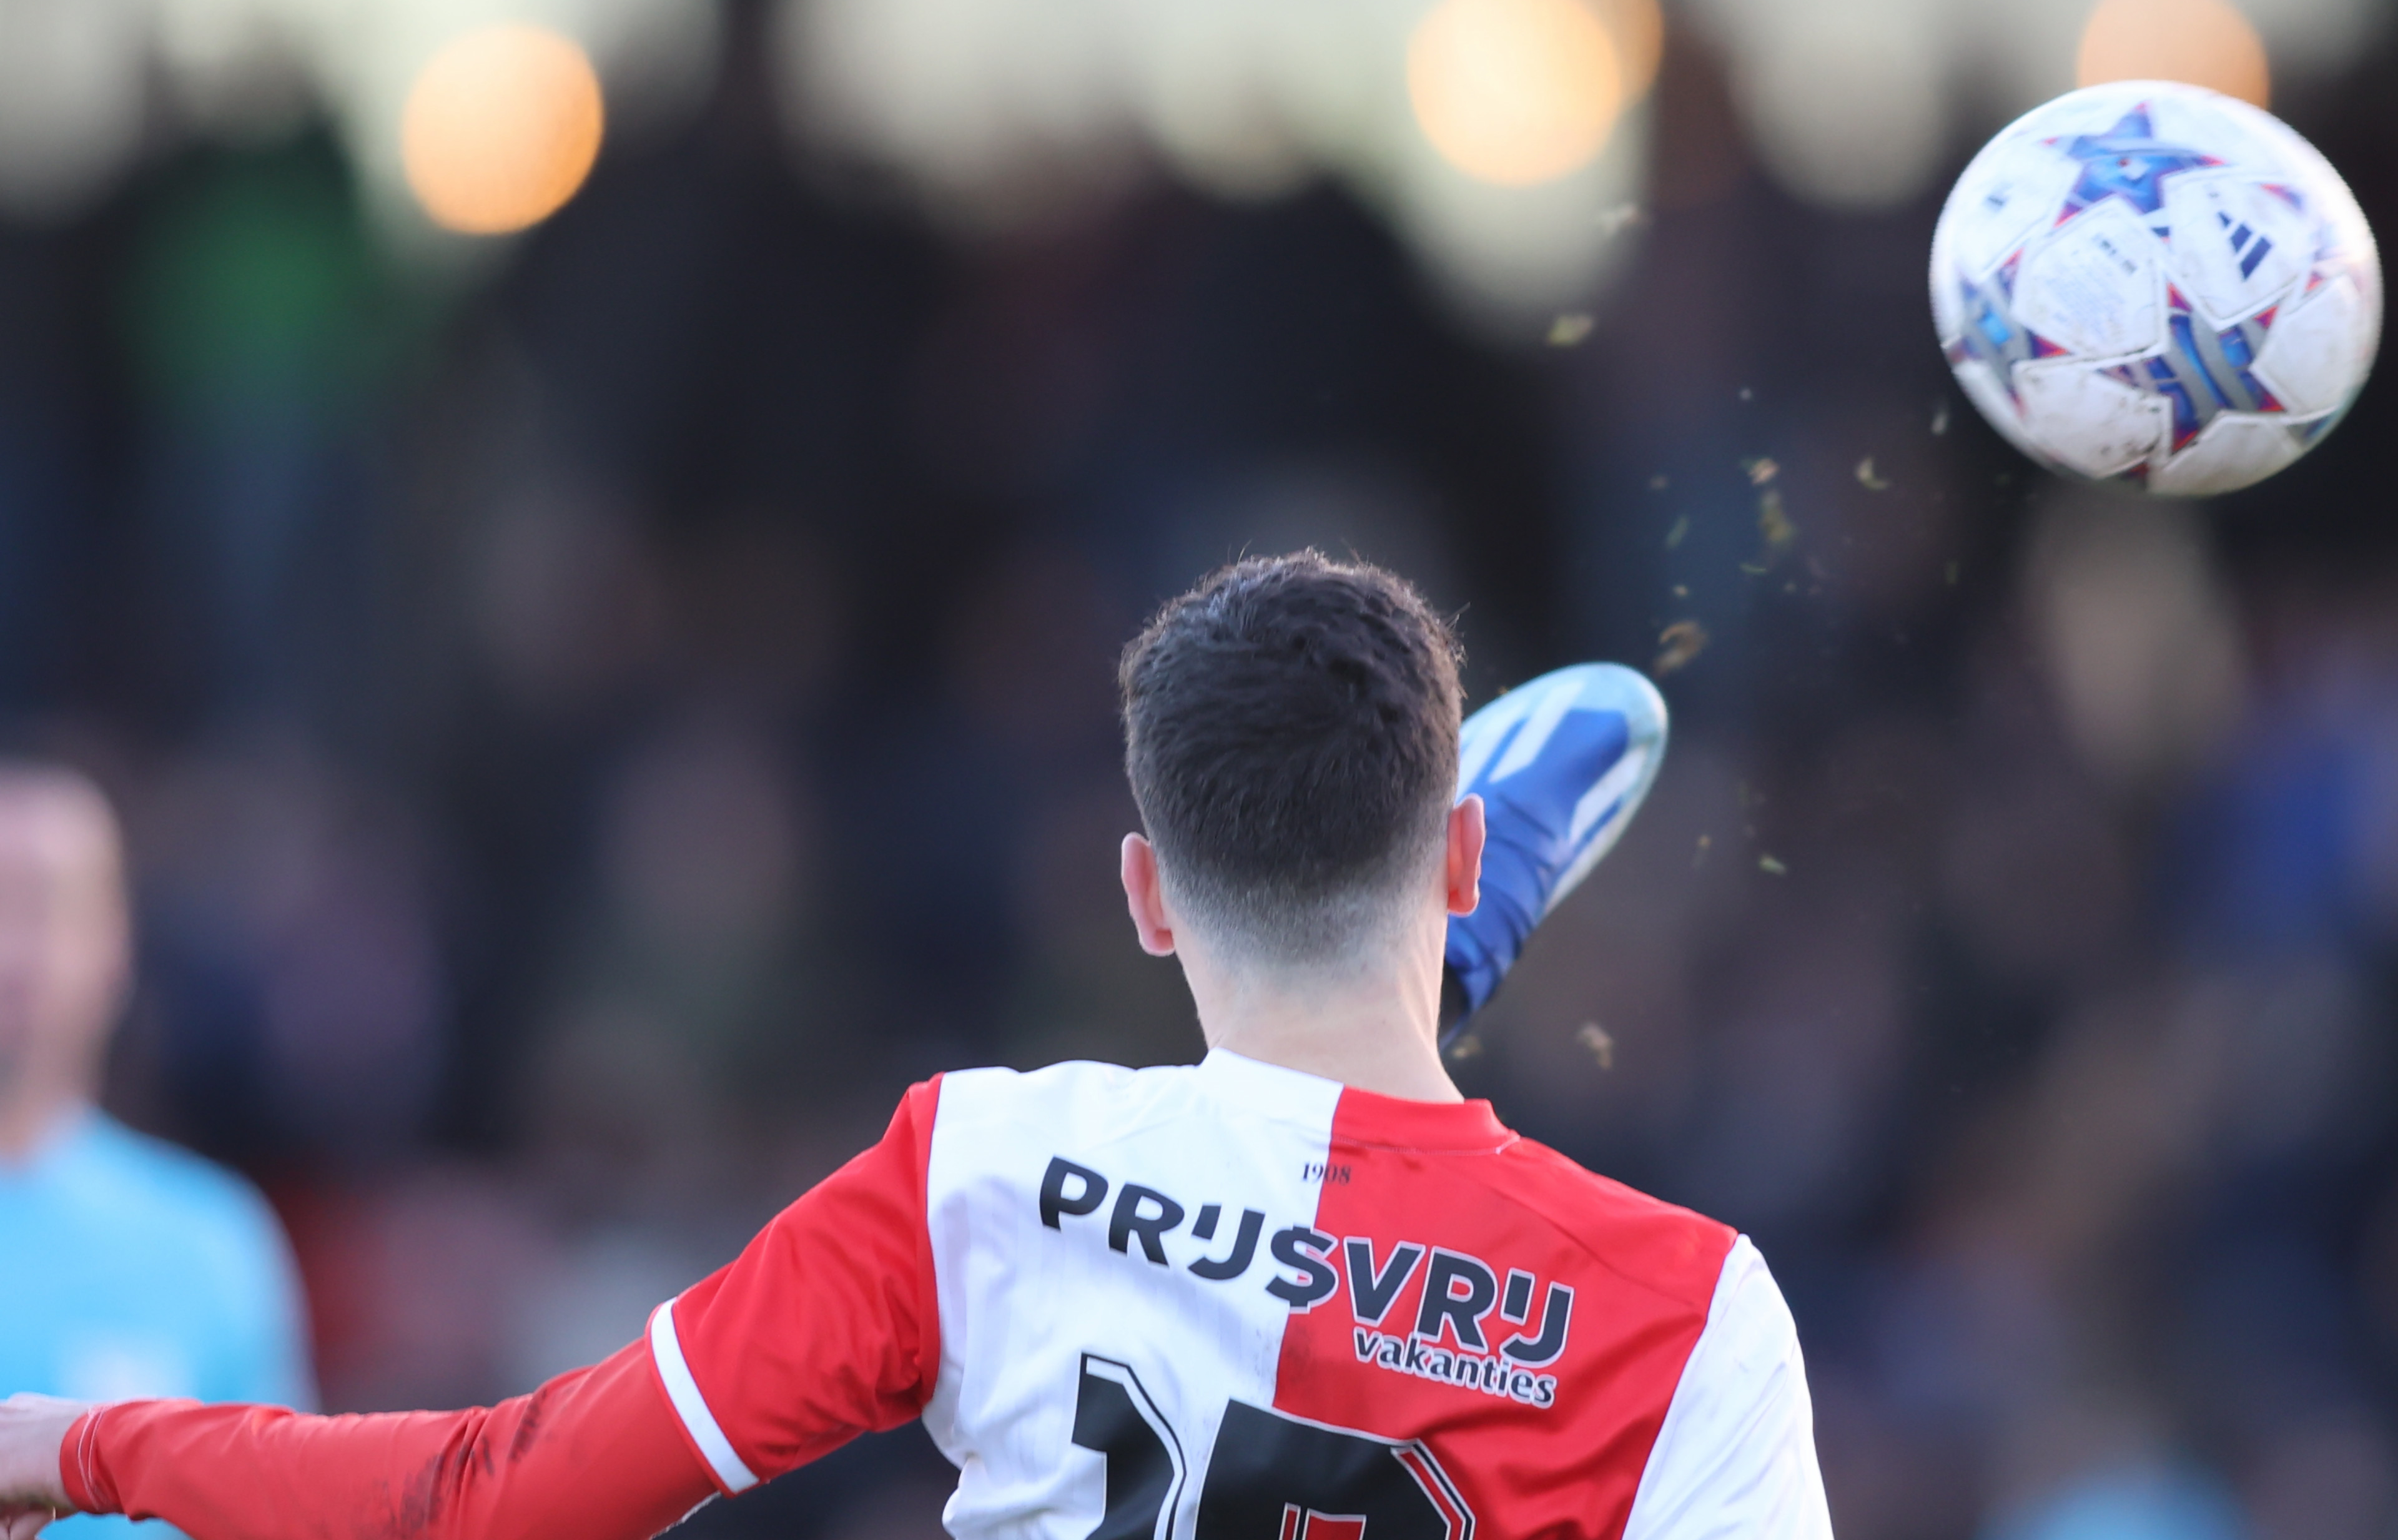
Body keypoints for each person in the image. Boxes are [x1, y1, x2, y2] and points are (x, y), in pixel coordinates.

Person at [0, 553, 1829, 1539]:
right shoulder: (1689, 1310)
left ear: (1140, 894)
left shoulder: (983, 1167)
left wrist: (76, 1442)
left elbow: (487, 1500)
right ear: (1441, 852)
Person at [0, 765, 315, 1539]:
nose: (9, 946)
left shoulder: (210, 1243)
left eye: (40, 904)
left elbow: (283, 1515)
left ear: (116, 946)